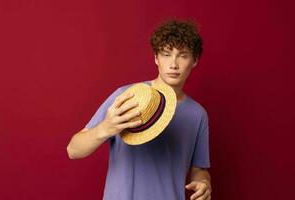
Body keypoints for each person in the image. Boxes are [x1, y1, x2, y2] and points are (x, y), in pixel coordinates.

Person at [67, 18, 212, 200]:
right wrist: (104, 128)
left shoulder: (197, 114)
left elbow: (199, 169)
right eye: (166, 54)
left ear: (194, 60)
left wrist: (204, 182)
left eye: (182, 55)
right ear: (156, 58)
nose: (173, 64)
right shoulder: (126, 96)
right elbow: (73, 150)